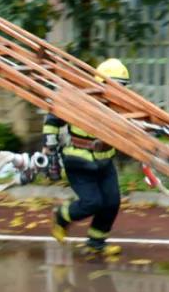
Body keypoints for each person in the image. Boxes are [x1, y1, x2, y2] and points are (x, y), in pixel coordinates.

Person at [43, 58, 129, 257]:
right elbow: (53, 119)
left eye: (122, 86)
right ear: (101, 82)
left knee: (112, 202)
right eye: (115, 84)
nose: (119, 89)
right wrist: (50, 147)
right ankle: (61, 216)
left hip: (105, 161)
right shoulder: (80, 100)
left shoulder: (121, 105)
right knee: (92, 203)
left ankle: (96, 243)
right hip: (79, 161)